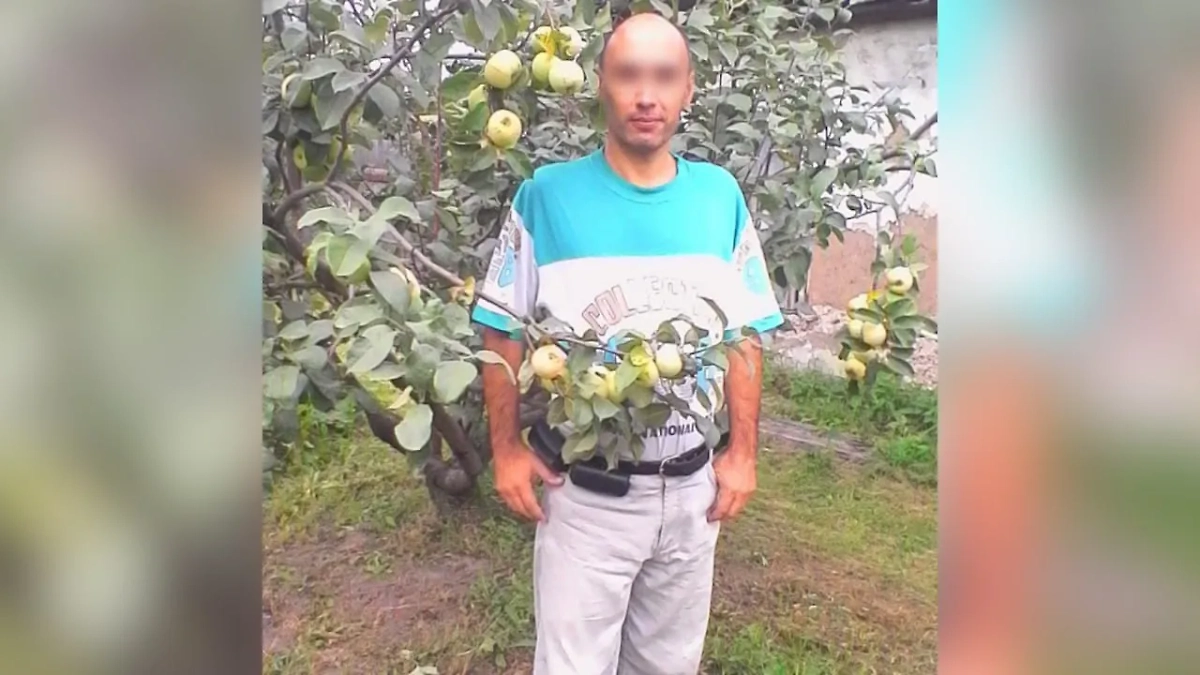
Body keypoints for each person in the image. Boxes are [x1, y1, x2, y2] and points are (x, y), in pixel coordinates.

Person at [470, 12, 783, 675]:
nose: (646, 96)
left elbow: (743, 334)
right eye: (628, 75)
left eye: (665, 77)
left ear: (689, 88)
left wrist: (742, 454)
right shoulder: (547, 195)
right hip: (586, 497)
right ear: (600, 84)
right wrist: (504, 450)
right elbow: (500, 328)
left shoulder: (719, 197)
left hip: (693, 493)